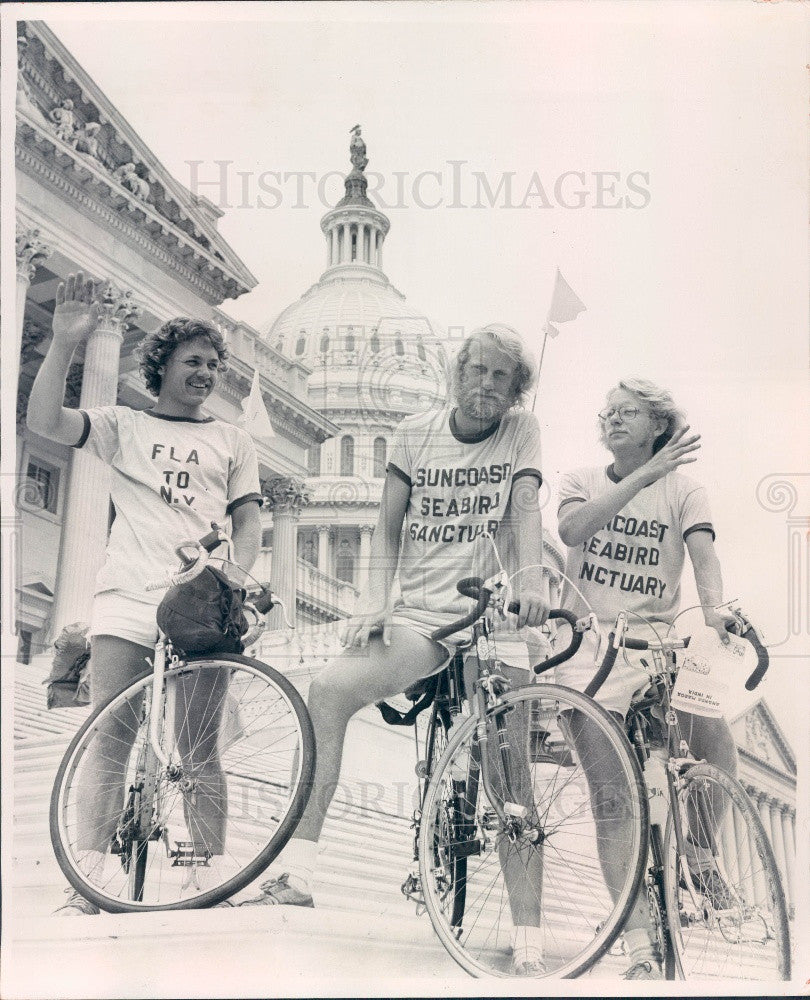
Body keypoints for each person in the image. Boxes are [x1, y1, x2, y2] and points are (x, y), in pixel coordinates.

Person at [239, 323, 550, 975]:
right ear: (457, 373)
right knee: (326, 691)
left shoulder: (522, 432)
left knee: (514, 787)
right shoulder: (414, 432)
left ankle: (528, 944)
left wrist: (530, 583)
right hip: (423, 619)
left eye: (502, 377)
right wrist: (372, 600)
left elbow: (525, 512)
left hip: (492, 613)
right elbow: (384, 526)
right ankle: (297, 870)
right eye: (478, 370)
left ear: (516, 389)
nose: (488, 385)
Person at [26, 272, 262, 915]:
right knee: (111, 732)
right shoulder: (122, 423)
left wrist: (234, 574)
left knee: (198, 746)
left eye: (214, 364)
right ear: (163, 366)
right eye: (194, 361)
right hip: (128, 593)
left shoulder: (232, 439)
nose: (207, 372)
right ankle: (91, 875)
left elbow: (248, 520)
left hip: (200, 597)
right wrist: (65, 341)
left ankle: (200, 874)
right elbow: (43, 421)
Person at [555, 377, 738, 980]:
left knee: (715, 736)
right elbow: (574, 531)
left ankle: (705, 855)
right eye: (607, 412)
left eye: (627, 412)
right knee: (613, 804)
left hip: (659, 639)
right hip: (590, 646)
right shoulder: (580, 480)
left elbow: (705, 560)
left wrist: (715, 609)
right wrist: (643, 474)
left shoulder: (687, 491)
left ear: (659, 423)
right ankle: (637, 945)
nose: (611, 420)